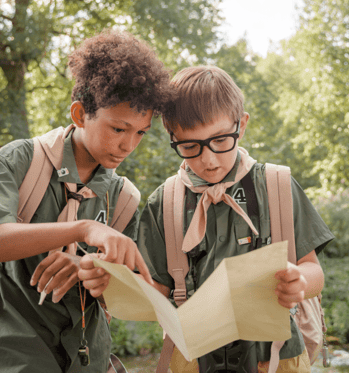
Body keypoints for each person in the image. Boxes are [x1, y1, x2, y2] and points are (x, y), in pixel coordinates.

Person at [0, 30, 174, 373]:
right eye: (118, 129)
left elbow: (121, 295)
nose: (129, 145)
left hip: (88, 359)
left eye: (140, 132)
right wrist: (83, 228)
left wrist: (93, 271)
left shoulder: (125, 198)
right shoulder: (20, 160)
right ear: (79, 114)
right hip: (7, 352)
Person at [133, 65, 334, 372]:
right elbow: (156, 289)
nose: (208, 159)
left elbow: (314, 272)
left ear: (241, 127)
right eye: (189, 146)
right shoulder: (164, 202)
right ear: (172, 137)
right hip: (193, 359)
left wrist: (300, 281)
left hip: (276, 356)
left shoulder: (275, 186)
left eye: (220, 140)